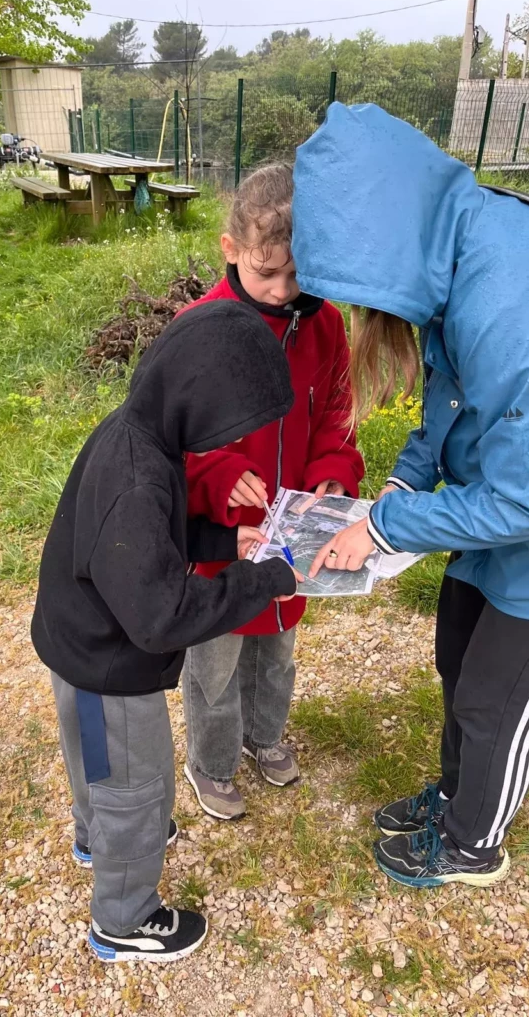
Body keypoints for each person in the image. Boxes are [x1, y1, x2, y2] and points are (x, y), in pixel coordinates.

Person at [291, 103, 529, 888]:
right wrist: (400, 485)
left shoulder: (511, 292)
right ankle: (457, 795)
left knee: (499, 703)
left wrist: (389, 524)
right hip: (493, 514)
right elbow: (454, 406)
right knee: (460, 667)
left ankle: (474, 843)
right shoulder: (454, 248)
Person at [31, 300, 300, 962]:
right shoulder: (140, 480)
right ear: (194, 406)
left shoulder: (135, 435)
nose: (223, 445)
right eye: (225, 430)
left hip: (78, 645)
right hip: (114, 664)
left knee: (96, 766)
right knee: (135, 784)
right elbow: (162, 617)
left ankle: (100, 841)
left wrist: (220, 538)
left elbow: (142, 544)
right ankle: (123, 918)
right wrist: (262, 581)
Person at [183, 164, 364, 820]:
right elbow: (171, 438)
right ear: (231, 252)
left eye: (299, 275)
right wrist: (220, 475)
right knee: (217, 661)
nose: (284, 291)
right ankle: (210, 761)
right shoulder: (200, 328)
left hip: (292, 533)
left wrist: (334, 473)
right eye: (267, 274)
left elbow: (336, 415)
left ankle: (265, 737)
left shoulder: (324, 326)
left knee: (279, 647)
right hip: (223, 542)